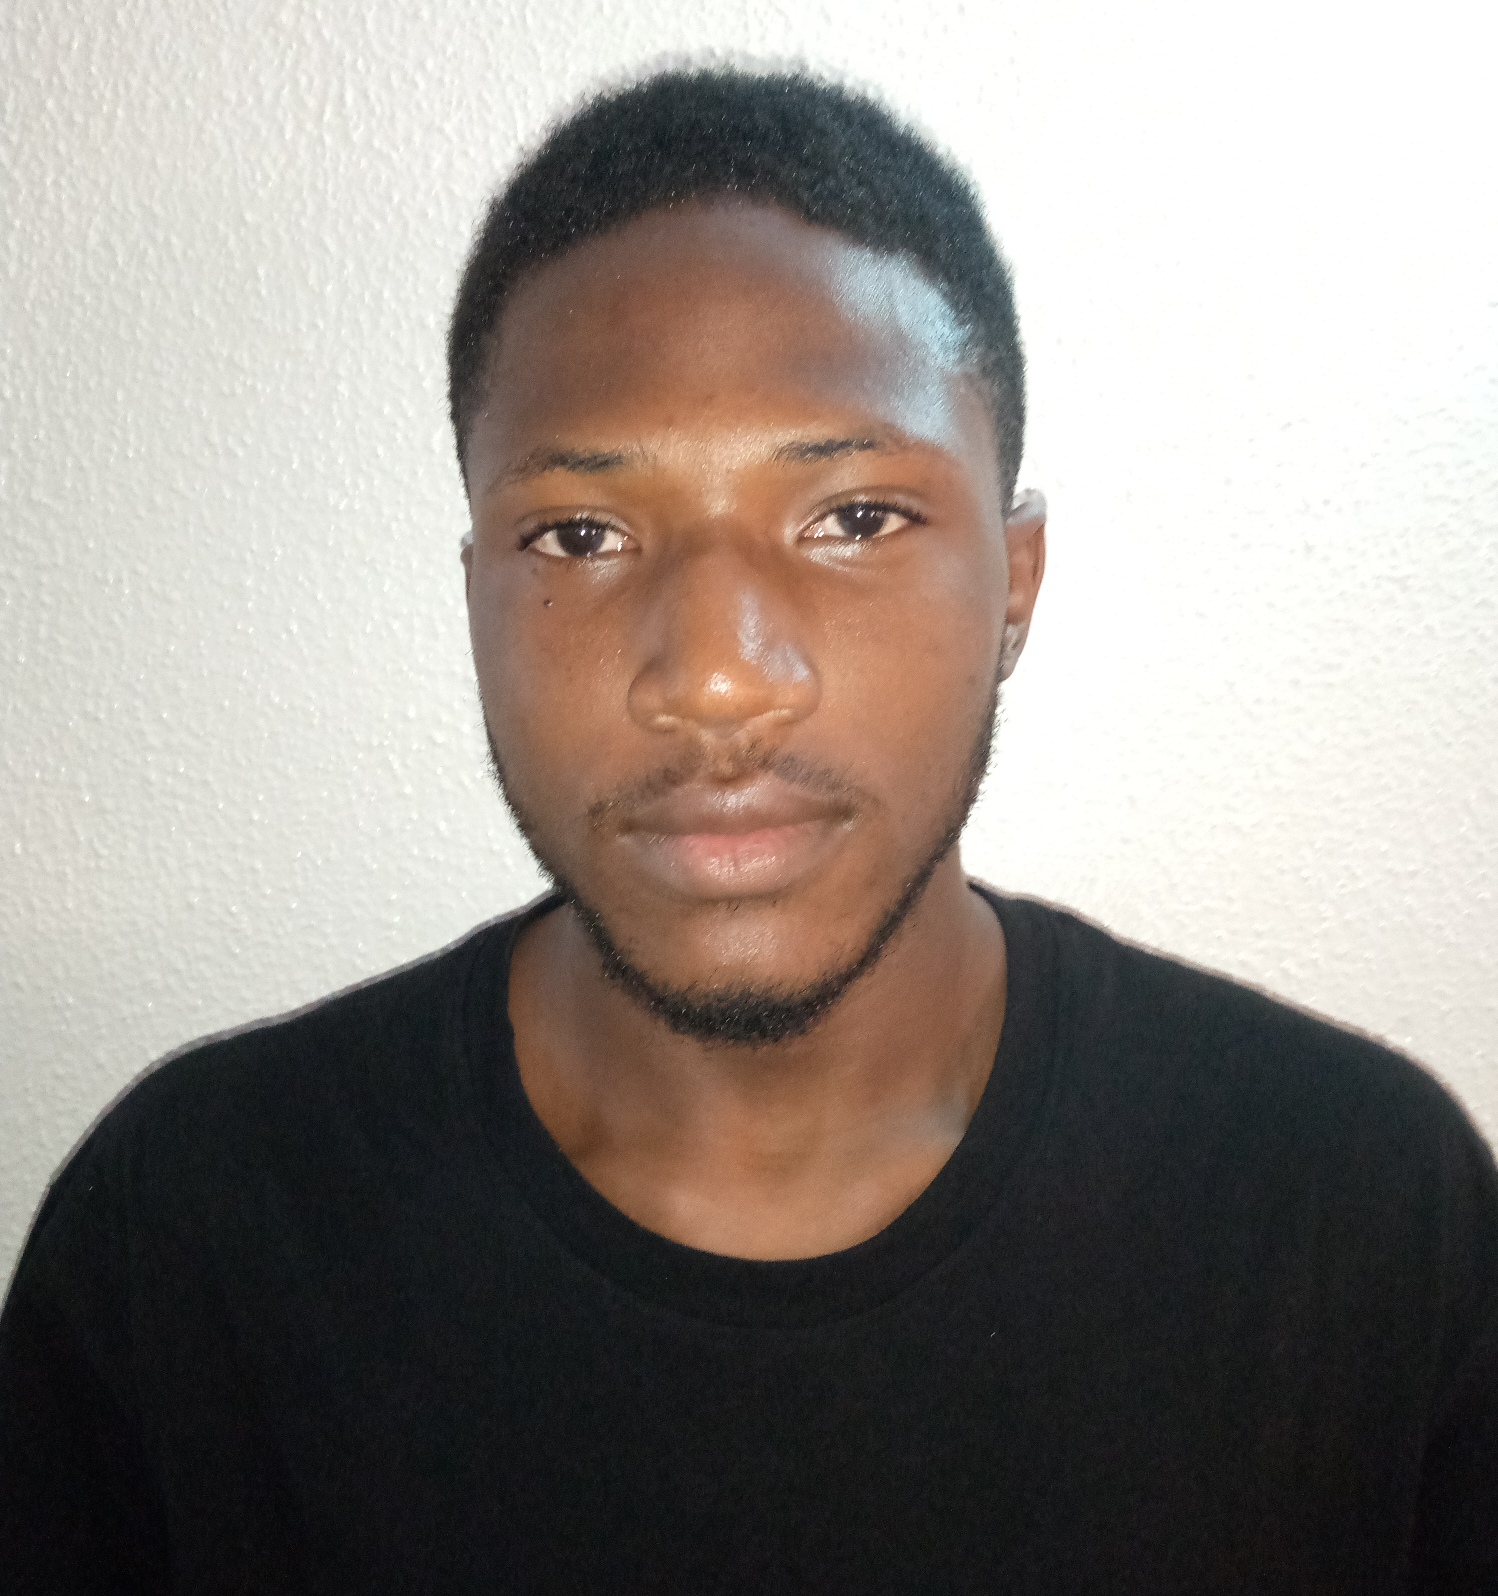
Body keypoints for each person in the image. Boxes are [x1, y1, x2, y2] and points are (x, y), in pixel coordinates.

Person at [2, 67, 1494, 1595]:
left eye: (853, 517)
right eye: (580, 535)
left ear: (1016, 586)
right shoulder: (191, 1241)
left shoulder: (1361, 1219)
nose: (715, 676)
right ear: (475, 601)